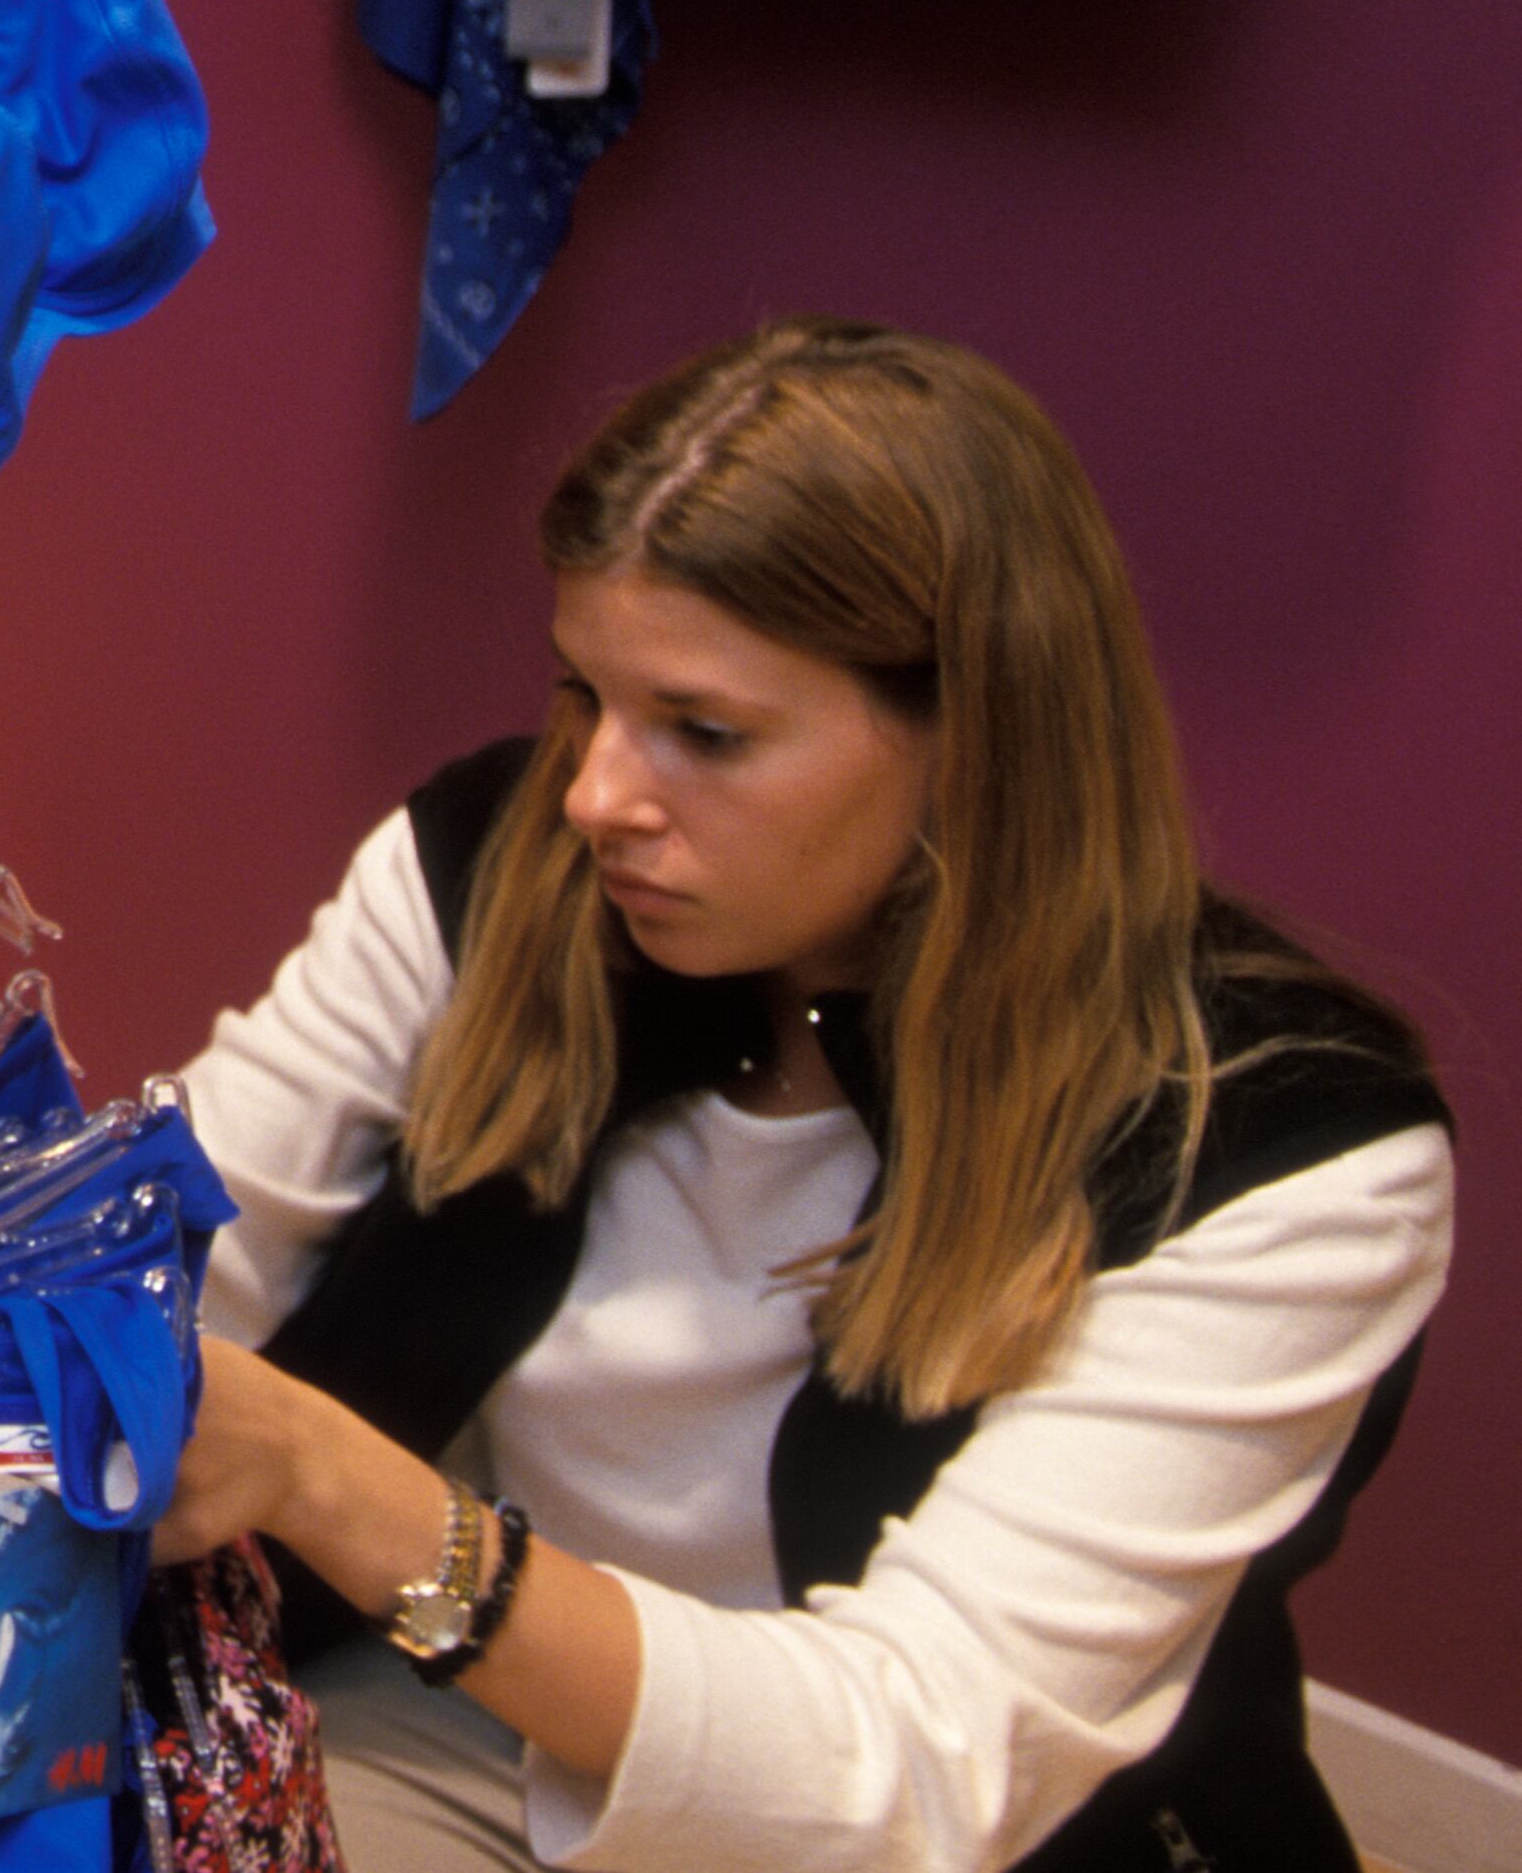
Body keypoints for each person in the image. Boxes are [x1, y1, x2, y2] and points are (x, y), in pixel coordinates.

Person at [164, 321, 1453, 1873]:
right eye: (586, 696)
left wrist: (330, 1478)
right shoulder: (491, 866)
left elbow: (906, 1771)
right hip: (480, 1723)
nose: (595, 796)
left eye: (705, 733)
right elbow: (190, 1243)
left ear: (972, 740)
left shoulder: (1286, 1143)